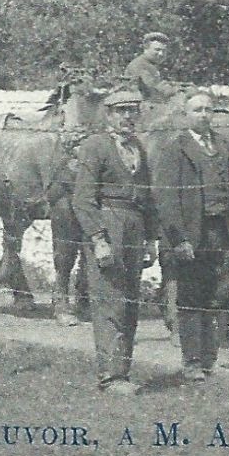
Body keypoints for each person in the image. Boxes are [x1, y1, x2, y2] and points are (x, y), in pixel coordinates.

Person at [160, 90, 229, 382]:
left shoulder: (224, 146)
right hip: (191, 235)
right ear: (186, 115)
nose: (203, 115)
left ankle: (216, 358)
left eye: (208, 110)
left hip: (222, 232)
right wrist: (179, 239)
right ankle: (192, 361)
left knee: (222, 295)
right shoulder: (175, 149)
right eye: (197, 110)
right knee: (190, 298)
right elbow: (167, 199)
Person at [71, 88, 155, 395]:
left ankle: (124, 371)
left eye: (133, 110)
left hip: (134, 224)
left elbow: (148, 196)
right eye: (122, 111)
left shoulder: (139, 148)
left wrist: (150, 239)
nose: (129, 116)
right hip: (107, 223)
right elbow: (82, 199)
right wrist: (98, 238)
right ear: (109, 115)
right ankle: (110, 376)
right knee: (109, 298)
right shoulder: (95, 146)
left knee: (130, 299)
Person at [125, 32, 182, 104]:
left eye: (164, 51)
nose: (161, 54)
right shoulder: (139, 65)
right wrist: (179, 90)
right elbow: (155, 89)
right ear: (146, 49)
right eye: (157, 50)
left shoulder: (151, 65)